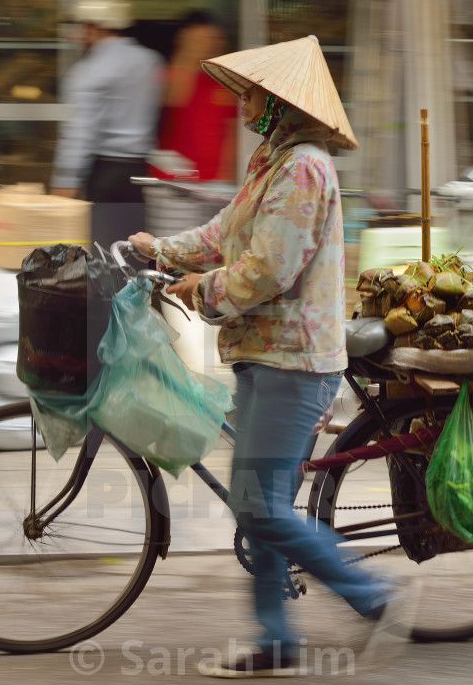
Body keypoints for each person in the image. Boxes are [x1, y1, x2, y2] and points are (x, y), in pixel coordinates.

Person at [130, 35, 418, 678]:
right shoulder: (272, 161)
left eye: (253, 92)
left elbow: (269, 268)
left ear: (280, 102)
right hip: (263, 352)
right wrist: (164, 250)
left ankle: (376, 597)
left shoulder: (304, 169)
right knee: (260, 508)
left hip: (295, 358)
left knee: (257, 506)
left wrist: (198, 289)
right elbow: (224, 233)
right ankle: (276, 642)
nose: (243, 102)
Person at [49, 0, 164, 250]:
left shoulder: (91, 69)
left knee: (106, 253)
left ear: (93, 27)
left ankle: (108, 291)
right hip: (137, 172)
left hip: (105, 172)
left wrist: (66, 179)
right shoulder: (149, 61)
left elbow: (82, 130)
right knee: (136, 250)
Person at [153, 11, 236, 182]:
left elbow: (232, 132)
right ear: (185, 39)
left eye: (215, 38)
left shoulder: (226, 84)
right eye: (202, 38)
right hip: (172, 177)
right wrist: (189, 56)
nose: (210, 44)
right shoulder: (168, 76)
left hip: (214, 180)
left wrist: (227, 174)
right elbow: (173, 100)